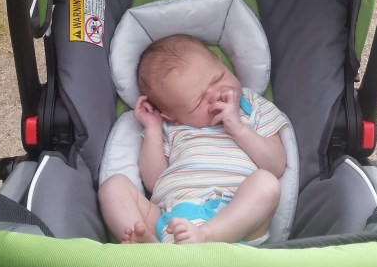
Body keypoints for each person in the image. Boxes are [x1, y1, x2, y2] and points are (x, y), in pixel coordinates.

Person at [99, 34, 288, 245]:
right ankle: (148, 246)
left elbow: (276, 165)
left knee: (266, 183)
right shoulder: (172, 128)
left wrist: (239, 128)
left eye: (219, 78)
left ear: (221, 62)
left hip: (235, 216)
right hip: (171, 219)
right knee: (112, 187)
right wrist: (152, 128)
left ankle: (207, 235)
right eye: (199, 103)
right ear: (172, 115)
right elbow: (155, 180)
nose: (217, 95)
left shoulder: (253, 107)